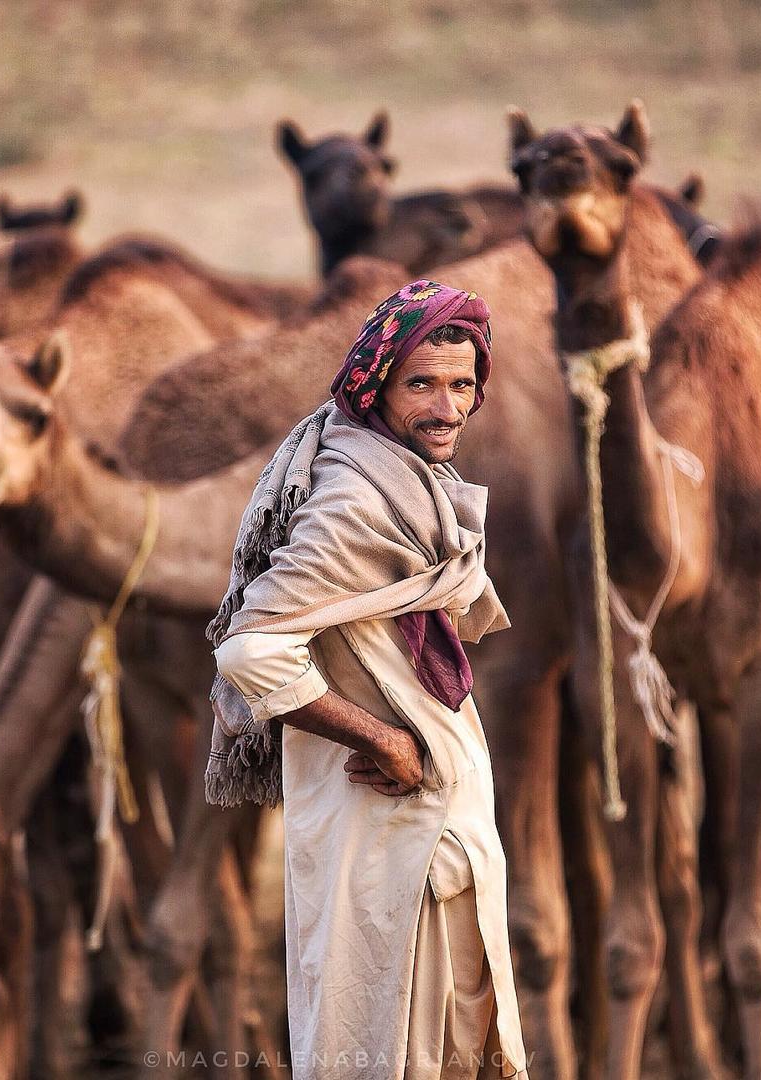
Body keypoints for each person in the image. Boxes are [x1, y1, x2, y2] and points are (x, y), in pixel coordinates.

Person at [208, 280, 529, 1079]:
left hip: (430, 840)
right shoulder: (356, 497)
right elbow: (249, 651)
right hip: (391, 839)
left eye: (462, 385)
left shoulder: (404, 477)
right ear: (375, 382)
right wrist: (382, 737)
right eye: (420, 383)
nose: (446, 408)